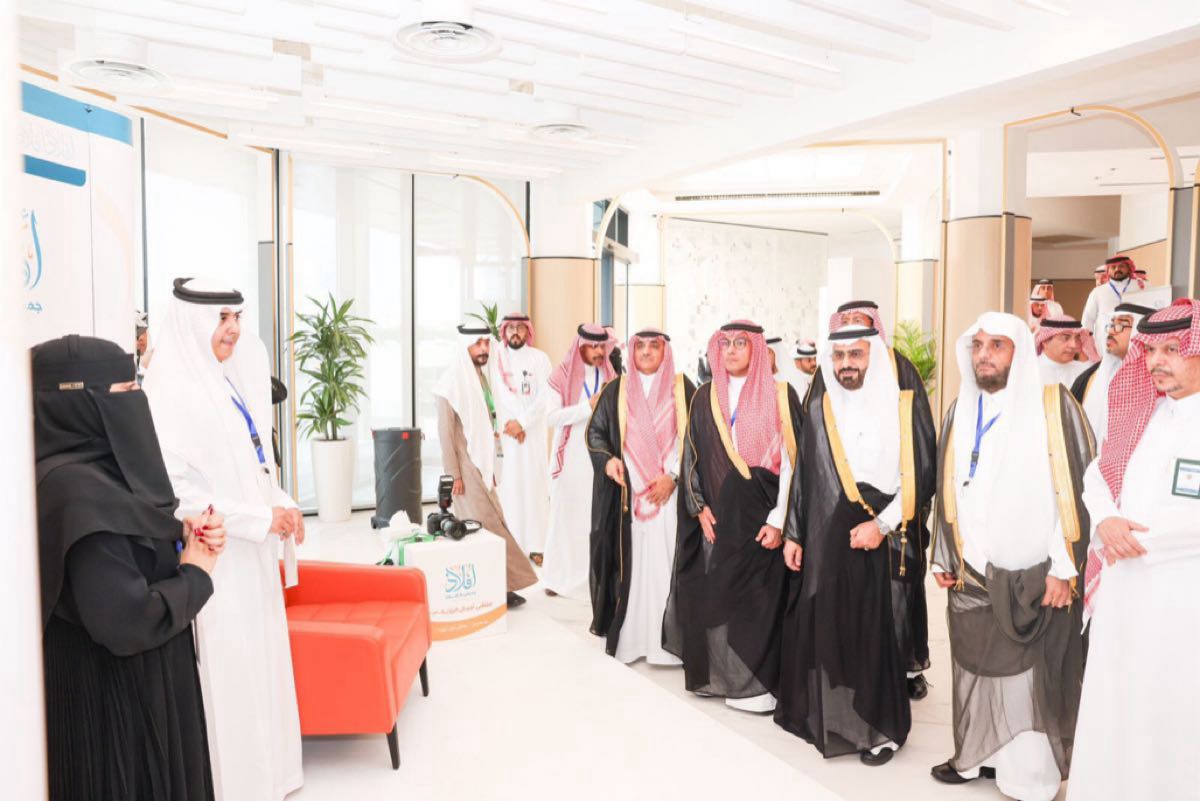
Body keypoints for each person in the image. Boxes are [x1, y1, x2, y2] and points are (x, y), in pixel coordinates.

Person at [33, 335, 225, 801]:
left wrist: (179, 534)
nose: (136, 400)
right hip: (116, 707)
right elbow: (125, 621)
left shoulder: (98, 473)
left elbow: (127, 531)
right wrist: (195, 573)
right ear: (80, 402)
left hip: (141, 689)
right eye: (124, 391)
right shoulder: (74, 492)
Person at [143, 278, 303, 801]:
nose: (233, 329)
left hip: (253, 555)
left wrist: (283, 505)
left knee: (262, 668)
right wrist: (259, 518)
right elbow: (179, 495)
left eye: (236, 317)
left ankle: (274, 777)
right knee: (232, 674)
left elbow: (257, 461)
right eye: (222, 319)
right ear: (193, 323)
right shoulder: (168, 393)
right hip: (215, 562)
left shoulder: (225, 380)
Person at [929, 312, 1093, 801]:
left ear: (1019, 353)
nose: (984, 355)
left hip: (1035, 572)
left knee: (1029, 674)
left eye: (997, 346)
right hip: (974, 566)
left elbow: (1078, 486)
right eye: (978, 345)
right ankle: (979, 755)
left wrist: (1064, 566)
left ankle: (1030, 779)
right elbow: (947, 484)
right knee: (976, 663)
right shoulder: (961, 408)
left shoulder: (1051, 406)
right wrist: (945, 554)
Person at [775, 323, 936, 765]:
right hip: (832, 528)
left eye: (856, 354)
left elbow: (922, 474)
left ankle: (883, 731)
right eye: (840, 355)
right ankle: (843, 713)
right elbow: (805, 475)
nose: (847, 364)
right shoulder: (822, 407)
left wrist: (881, 526)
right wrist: (795, 533)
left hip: (883, 527)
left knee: (875, 626)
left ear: (874, 356)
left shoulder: (901, 405)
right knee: (835, 618)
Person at [1067, 299, 1200, 801]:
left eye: (1173, 349)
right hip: (1125, 593)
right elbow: (1097, 474)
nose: (1157, 361)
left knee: (1174, 709)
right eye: (1151, 350)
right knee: (1119, 701)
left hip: (1183, 597)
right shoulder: (1143, 410)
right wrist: (1105, 519)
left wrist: (1135, 539)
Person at [663, 320, 801, 712]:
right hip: (720, 516)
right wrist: (698, 507)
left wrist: (780, 520)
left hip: (764, 514)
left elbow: (794, 463)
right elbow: (691, 455)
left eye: (741, 343)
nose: (732, 350)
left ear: (757, 348)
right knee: (721, 595)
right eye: (726, 344)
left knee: (761, 598)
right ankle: (725, 677)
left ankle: (758, 686)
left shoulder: (780, 394)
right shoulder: (705, 397)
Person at [830, 299, 935, 694]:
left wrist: (895, 513)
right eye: (845, 322)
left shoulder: (900, 369)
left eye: (860, 322)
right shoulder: (833, 374)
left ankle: (905, 669)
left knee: (900, 589)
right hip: (844, 506)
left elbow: (919, 448)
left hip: (896, 506)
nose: (852, 330)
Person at [586, 328, 696, 664]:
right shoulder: (616, 390)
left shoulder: (683, 388)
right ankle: (633, 641)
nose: (646, 352)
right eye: (641, 346)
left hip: (669, 496)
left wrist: (673, 477)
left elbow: (697, 438)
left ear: (665, 351)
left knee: (667, 564)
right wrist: (609, 462)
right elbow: (596, 433)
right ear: (632, 352)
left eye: (654, 346)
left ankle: (670, 648)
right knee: (632, 568)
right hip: (629, 497)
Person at [434, 323, 539, 606]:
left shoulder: (481, 377)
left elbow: (486, 423)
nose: (483, 349)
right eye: (477, 344)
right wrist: (454, 475)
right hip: (464, 469)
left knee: (493, 525)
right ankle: (496, 588)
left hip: (482, 466)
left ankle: (502, 587)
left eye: (486, 343)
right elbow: (445, 434)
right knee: (483, 528)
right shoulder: (449, 383)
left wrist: (490, 466)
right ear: (464, 345)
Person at [544, 323, 616, 598]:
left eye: (602, 346)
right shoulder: (561, 375)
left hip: (597, 459)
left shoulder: (608, 373)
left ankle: (591, 581)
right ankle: (556, 579)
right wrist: (588, 406)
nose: (599, 352)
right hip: (569, 459)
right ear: (580, 346)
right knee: (564, 519)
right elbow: (551, 418)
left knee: (591, 520)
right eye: (593, 347)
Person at [489, 313, 552, 564]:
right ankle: (513, 546)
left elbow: (545, 396)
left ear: (528, 331)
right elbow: (497, 394)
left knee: (535, 487)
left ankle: (538, 546)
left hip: (532, 435)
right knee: (511, 489)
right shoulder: (497, 359)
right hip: (509, 436)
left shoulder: (540, 359)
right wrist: (512, 425)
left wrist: (523, 423)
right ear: (504, 331)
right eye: (511, 328)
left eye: (520, 328)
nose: (515, 332)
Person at [1070, 302, 1154, 443]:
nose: (1111, 331)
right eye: (1111, 324)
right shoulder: (1091, 378)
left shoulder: (1155, 382)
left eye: (1121, 324)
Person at [1082, 256, 1138, 336]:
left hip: (1134, 336)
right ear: (1108, 271)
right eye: (1113, 267)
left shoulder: (1140, 287)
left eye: (1121, 266)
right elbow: (1088, 318)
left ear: (1129, 268)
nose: (1117, 269)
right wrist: (1087, 338)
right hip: (1105, 337)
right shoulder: (1097, 292)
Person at [1036, 315, 1096, 387]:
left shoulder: (1084, 371)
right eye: (1066, 338)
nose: (1074, 345)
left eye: (1077, 338)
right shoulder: (1030, 371)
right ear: (1045, 341)